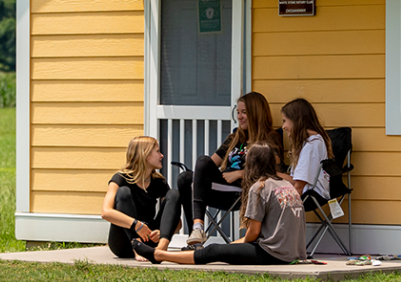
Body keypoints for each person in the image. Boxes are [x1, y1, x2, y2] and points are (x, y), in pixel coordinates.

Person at [133, 143, 306, 265]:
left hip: (273, 253)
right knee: (222, 249)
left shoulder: (259, 187)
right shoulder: (286, 186)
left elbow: (253, 233)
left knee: (213, 251)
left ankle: (159, 255)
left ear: (251, 164)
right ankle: (163, 253)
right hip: (294, 253)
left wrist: (228, 248)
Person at [178, 91, 284, 246]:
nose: (239, 117)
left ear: (256, 113)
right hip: (222, 185)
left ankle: (197, 232)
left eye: (244, 113)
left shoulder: (270, 139)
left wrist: (240, 173)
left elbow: (272, 173)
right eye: (238, 112)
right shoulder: (235, 137)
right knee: (186, 178)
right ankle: (196, 231)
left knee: (196, 171)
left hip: (241, 190)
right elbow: (210, 163)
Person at [101, 136, 182, 261]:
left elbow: (177, 222)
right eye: (157, 152)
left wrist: (161, 232)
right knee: (123, 192)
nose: (162, 156)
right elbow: (106, 212)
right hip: (123, 242)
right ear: (146, 155)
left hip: (149, 239)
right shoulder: (121, 179)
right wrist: (136, 225)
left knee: (174, 194)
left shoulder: (158, 181)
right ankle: (137, 248)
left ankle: (161, 250)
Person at [280, 98, 334, 210]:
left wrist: (270, 174)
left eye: (284, 121)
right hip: (313, 192)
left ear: (296, 120)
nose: (283, 126)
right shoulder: (314, 141)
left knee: (263, 194)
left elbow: (298, 187)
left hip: (310, 196)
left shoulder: (311, 146)